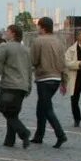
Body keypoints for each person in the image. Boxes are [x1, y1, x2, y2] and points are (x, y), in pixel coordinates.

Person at [0, 24, 34, 147]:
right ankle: (9, 140)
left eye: (7, 31)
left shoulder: (5, 47)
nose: (6, 33)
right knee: (13, 113)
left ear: (13, 33)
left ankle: (24, 132)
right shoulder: (26, 50)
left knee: (2, 107)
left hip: (9, 85)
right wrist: (29, 86)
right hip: (22, 86)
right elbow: (29, 69)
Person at [29, 17, 67, 148]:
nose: (37, 29)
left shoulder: (38, 41)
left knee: (47, 108)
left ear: (43, 27)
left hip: (44, 78)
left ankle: (60, 134)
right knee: (41, 107)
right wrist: (64, 81)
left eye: (38, 26)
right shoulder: (59, 42)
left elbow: (33, 60)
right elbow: (63, 63)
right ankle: (39, 136)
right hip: (56, 78)